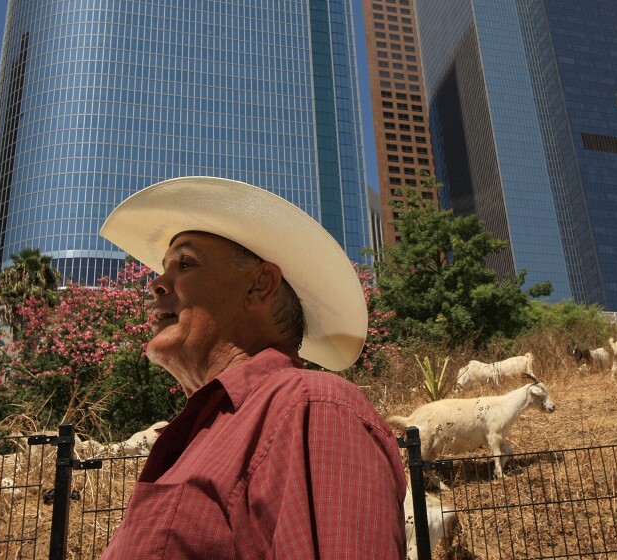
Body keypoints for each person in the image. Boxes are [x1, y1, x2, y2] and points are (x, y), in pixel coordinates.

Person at [98, 176, 407, 559]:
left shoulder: (311, 407)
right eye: (164, 267)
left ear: (260, 285)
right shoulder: (207, 433)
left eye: (185, 263)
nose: (157, 283)